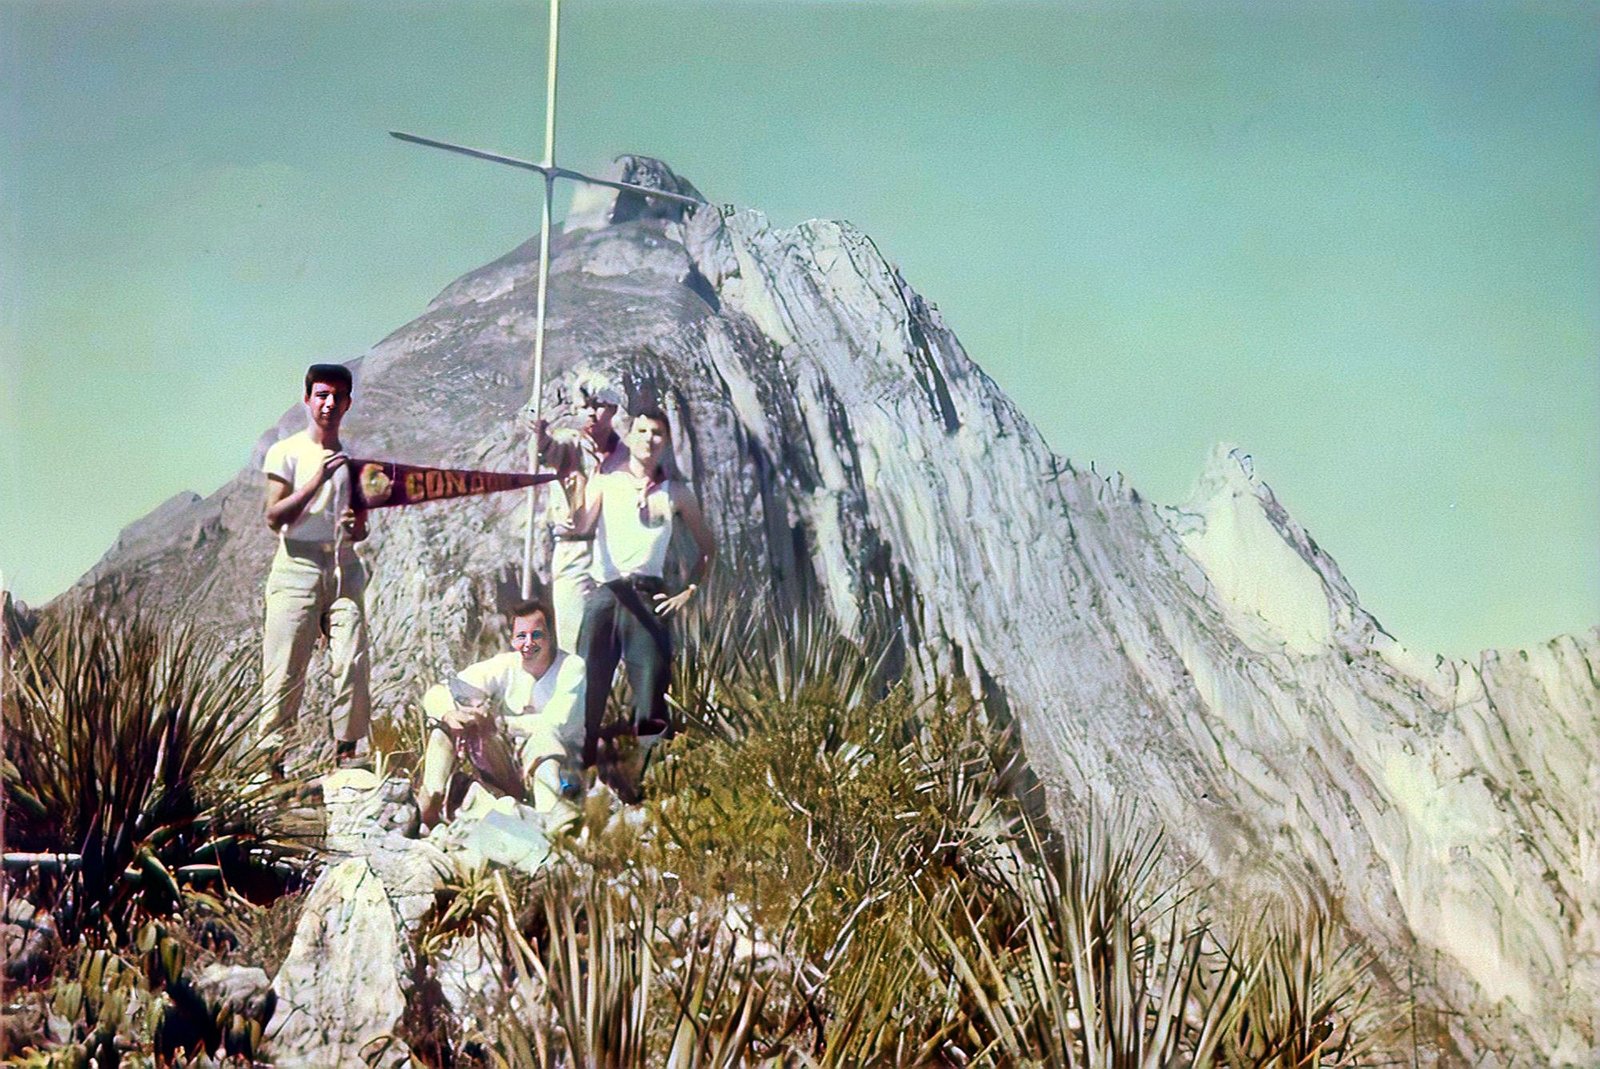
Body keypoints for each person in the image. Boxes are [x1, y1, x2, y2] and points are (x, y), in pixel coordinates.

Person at [573, 407, 716, 784]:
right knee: (586, 686)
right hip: (606, 594)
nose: (648, 439)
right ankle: (578, 776)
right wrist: (579, 479)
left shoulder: (677, 493)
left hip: (649, 597)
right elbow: (581, 524)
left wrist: (689, 590)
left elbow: (708, 548)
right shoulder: (606, 481)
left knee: (651, 688)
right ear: (630, 436)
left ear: (665, 442)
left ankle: (650, 783)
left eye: (657, 433)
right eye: (641, 431)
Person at [260, 363, 371, 768]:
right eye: (322, 395)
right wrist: (314, 483)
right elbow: (274, 517)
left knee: (352, 655)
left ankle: (347, 751)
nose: (329, 404)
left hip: (342, 564)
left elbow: (361, 528)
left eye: (337, 396)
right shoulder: (286, 452)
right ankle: (271, 763)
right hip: (297, 564)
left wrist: (354, 526)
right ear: (307, 399)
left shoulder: (352, 463)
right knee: (286, 666)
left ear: (348, 403)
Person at [415, 599, 586, 828]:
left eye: (537, 635)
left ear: (551, 636)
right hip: (511, 769)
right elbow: (440, 691)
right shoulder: (505, 665)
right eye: (521, 636)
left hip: (564, 768)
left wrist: (499, 723)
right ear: (512, 640)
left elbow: (558, 722)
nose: (528, 643)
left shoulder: (572, 667)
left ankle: (550, 816)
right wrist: (449, 714)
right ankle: (430, 801)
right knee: (447, 728)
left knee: (545, 738)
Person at [534, 373, 629, 652]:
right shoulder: (570, 444)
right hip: (574, 552)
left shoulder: (625, 454)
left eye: (598, 405)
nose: (590, 412)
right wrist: (539, 435)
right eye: (584, 406)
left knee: (614, 641)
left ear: (613, 409)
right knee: (573, 640)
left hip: (614, 552)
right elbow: (548, 451)